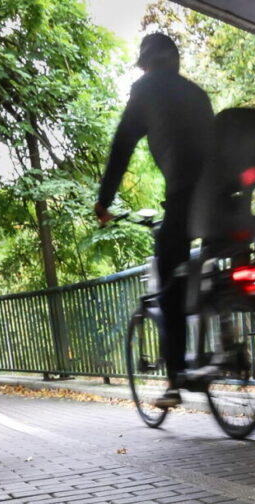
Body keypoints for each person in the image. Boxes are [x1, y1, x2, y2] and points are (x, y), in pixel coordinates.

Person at [95, 33, 213, 409]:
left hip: (184, 196)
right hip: (220, 196)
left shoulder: (146, 90)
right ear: (174, 60)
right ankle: (222, 327)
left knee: (170, 276)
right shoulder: (196, 93)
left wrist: (104, 201)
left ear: (146, 64)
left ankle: (176, 379)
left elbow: (121, 147)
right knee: (209, 261)